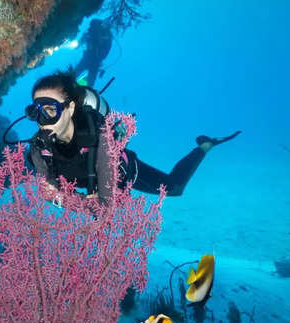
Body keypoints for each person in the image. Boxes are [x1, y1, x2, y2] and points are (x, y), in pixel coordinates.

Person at [25, 71, 241, 204]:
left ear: (70, 108)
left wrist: (59, 198)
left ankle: (203, 147)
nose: (42, 120)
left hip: (124, 174)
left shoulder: (97, 139)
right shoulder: (38, 148)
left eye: (50, 110)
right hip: (85, 184)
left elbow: (103, 206)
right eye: (35, 112)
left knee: (174, 188)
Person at [74, 19, 113, 88]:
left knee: (82, 74)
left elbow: (107, 48)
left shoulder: (104, 34)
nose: (91, 27)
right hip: (91, 58)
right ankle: (86, 89)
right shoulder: (90, 33)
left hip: (93, 59)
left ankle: (84, 89)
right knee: (88, 78)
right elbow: (81, 41)